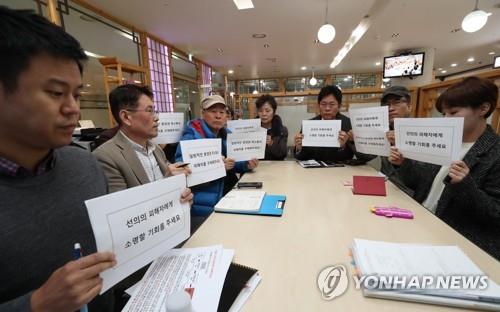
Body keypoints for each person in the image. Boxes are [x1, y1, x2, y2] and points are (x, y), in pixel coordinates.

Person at [0, 6, 115, 311]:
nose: (73, 109)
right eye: (55, 93)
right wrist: (36, 305)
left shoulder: (85, 165)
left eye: (76, 94)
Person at [389, 77, 500, 260]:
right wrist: (403, 163)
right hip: (419, 223)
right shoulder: (443, 140)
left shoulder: (495, 152)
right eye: (444, 114)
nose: (447, 120)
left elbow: (495, 214)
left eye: (454, 113)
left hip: (458, 244)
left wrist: (465, 185)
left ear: (483, 109)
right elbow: (418, 183)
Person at [93, 84, 193, 201]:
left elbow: (173, 184)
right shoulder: (106, 157)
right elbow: (122, 208)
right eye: (149, 111)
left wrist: (183, 197)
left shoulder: (156, 148)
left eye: (154, 111)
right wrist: (167, 185)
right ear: (126, 117)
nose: (156, 118)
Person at [175, 95, 259, 229]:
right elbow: (182, 170)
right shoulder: (191, 135)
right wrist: (218, 167)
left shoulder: (225, 133)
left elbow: (232, 161)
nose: (218, 116)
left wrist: (245, 164)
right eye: (213, 111)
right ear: (203, 113)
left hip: (227, 196)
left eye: (222, 112)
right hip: (203, 205)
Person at [294, 85, 352, 162]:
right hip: (314, 171)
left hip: (339, 170)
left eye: (332, 104)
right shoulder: (309, 125)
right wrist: (299, 148)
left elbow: (350, 157)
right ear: (319, 105)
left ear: (339, 106)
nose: (327, 108)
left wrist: (342, 147)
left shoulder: (348, 124)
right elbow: (302, 157)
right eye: (323, 104)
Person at [255, 94, 288, 160]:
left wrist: (271, 143)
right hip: (257, 167)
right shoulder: (253, 129)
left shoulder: (282, 130)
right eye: (260, 111)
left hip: (276, 167)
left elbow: (283, 154)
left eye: (267, 111)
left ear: (274, 112)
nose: (264, 114)